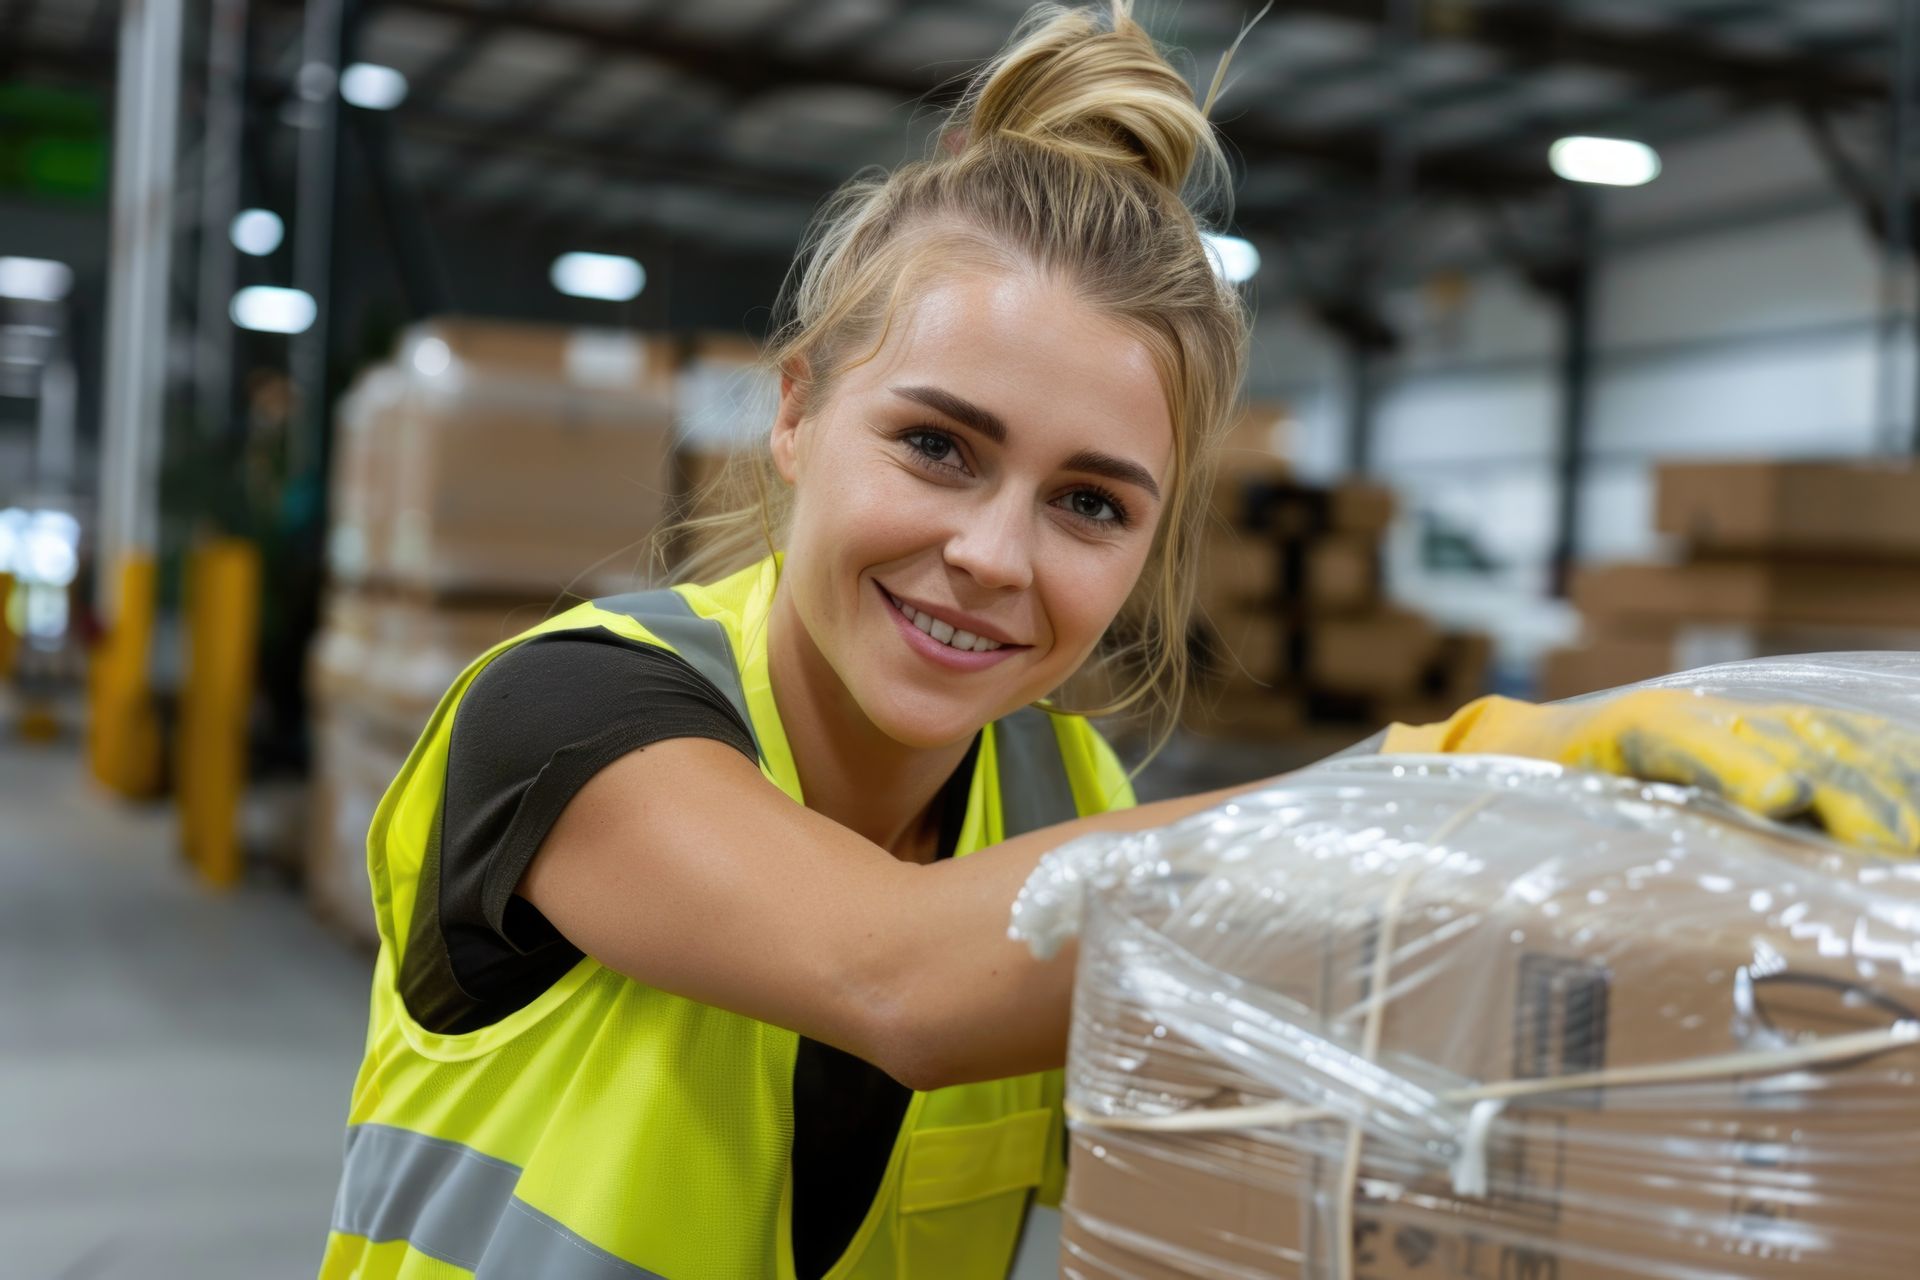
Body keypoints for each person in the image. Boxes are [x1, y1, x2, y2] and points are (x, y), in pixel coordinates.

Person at [317, 5, 1920, 1277]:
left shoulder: (1061, 788)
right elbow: (892, 972)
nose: (994, 557)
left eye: (1090, 504)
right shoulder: (575, 714)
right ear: (798, 409)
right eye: (938, 447)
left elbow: (1261, 1141)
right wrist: (1456, 775)